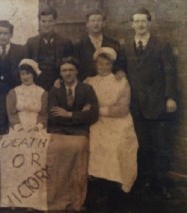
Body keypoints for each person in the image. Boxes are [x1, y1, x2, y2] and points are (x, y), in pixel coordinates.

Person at [124, 8, 178, 198]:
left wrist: (170, 97)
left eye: (143, 21)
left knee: (160, 146)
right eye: (136, 21)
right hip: (137, 106)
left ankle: (161, 184)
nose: (140, 24)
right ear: (132, 24)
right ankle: (145, 181)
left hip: (157, 105)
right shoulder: (127, 46)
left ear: (149, 23)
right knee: (142, 146)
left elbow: (170, 72)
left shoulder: (161, 45)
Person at [84, 47, 138, 210]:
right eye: (100, 64)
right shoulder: (89, 82)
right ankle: (98, 187)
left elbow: (122, 109)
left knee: (118, 144)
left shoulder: (121, 81)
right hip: (96, 122)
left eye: (107, 64)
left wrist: (98, 110)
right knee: (94, 144)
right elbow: (84, 104)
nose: (103, 67)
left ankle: (115, 188)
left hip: (118, 122)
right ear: (96, 64)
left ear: (112, 65)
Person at [26, 5, 73, 91]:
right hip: (36, 84)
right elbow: (27, 66)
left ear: (55, 22)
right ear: (39, 22)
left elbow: (70, 66)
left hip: (58, 83)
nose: (46, 25)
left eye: (50, 21)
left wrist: (61, 79)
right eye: (43, 21)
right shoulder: (31, 43)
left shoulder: (65, 42)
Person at [48, 56, 98, 135]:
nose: (68, 73)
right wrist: (80, 115)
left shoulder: (87, 89)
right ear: (60, 73)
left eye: (71, 70)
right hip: (59, 131)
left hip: (80, 132)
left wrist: (69, 114)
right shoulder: (55, 90)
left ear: (76, 71)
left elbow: (93, 115)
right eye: (64, 71)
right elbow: (53, 117)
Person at [74, 9, 126, 81]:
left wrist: (119, 72)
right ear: (87, 24)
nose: (96, 24)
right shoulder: (78, 46)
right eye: (93, 21)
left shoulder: (114, 44)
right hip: (86, 85)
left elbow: (119, 65)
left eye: (99, 20)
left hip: (109, 84)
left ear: (104, 23)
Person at [6, 59, 47, 132]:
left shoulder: (42, 92)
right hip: (17, 128)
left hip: (38, 129)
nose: (25, 77)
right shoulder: (13, 92)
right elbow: (11, 114)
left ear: (33, 74)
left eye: (28, 73)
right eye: (22, 74)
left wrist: (38, 127)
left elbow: (44, 114)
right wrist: (18, 127)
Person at [0, 20, 26, 89]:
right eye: (0, 33)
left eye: (5, 33)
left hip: (14, 89)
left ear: (11, 35)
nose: (2, 36)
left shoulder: (20, 50)